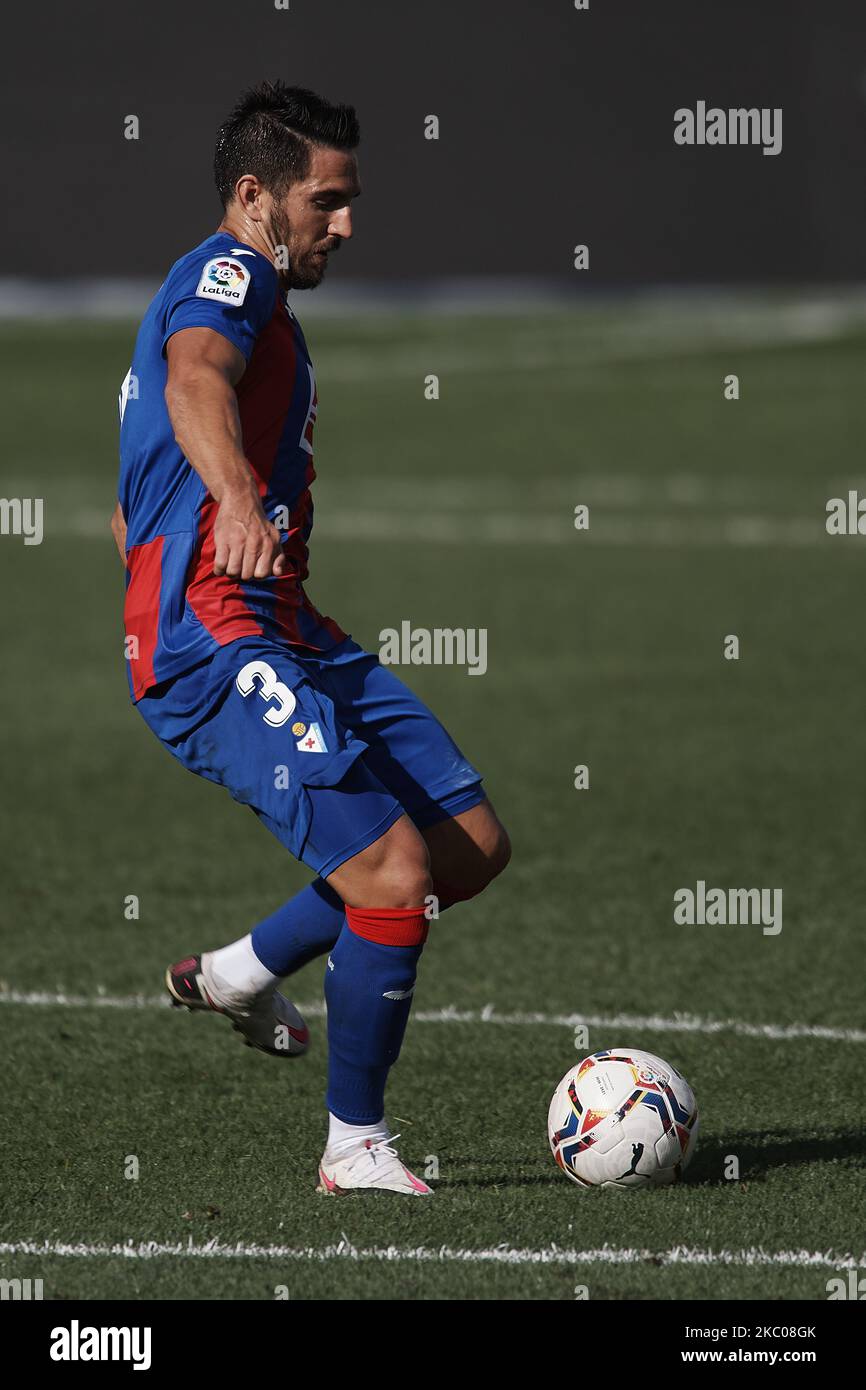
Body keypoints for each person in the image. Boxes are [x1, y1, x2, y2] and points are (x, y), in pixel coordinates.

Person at [112, 81, 510, 1195]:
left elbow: (132, 490)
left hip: (282, 623)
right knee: (390, 871)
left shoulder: (254, 303)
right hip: (213, 637)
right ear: (255, 197)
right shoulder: (225, 277)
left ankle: (240, 971)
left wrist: (182, 521)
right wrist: (233, 500)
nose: (345, 223)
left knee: (464, 848)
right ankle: (354, 1145)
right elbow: (195, 379)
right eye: (326, 201)